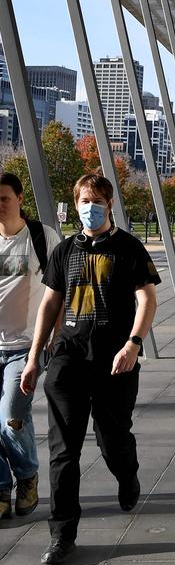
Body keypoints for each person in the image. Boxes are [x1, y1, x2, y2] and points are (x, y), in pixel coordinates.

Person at [21, 174, 161, 565]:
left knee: (111, 439)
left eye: (97, 199)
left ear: (110, 203)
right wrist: (34, 358)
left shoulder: (128, 248)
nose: (90, 206)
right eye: (84, 199)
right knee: (63, 450)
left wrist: (133, 344)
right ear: (76, 202)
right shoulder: (65, 251)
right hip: (68, 356)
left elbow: (147, 297)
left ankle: (127, 473)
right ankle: (62, 534)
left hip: (116, 359)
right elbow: (50, 305)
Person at [0, 173, 61, 520]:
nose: (0, 204)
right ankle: (0, 488)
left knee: (11, 415)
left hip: (24, 346)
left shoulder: (41, 237)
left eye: (4, 198)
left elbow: (61, 289)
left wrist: (53, 338)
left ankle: (26, 476)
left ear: (20, 197)